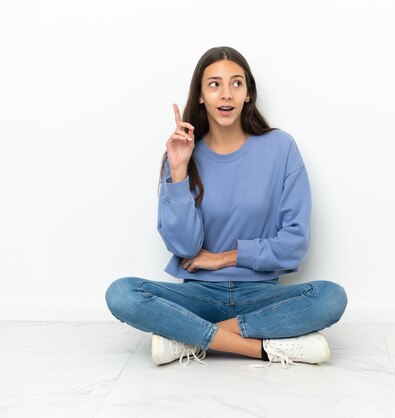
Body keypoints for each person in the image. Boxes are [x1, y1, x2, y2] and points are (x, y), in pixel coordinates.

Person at [105, 46, 348, 369]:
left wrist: (222, 258)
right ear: (201, 95)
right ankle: (262, 349)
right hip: (198, 297)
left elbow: (295, 244)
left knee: (330, 298)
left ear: (249, 93)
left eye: (236, 83)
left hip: (261, 297)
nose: (226, 94)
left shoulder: (280, 148)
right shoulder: (182, 154)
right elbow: (184, 246)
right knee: (121, 294)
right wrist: (178, 171)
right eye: (215, 84)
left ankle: (187, 338)